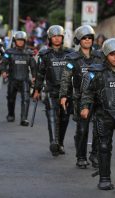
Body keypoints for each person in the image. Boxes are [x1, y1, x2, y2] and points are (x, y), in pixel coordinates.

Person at [80, 38, 115, 191]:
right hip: (103, 114)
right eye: (112, 54)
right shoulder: (96, 72)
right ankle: (104, 178)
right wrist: (85, 107)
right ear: (106, 55)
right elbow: (87, 92)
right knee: (104, 146)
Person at [60, 25, 103, 168]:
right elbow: (66, 78)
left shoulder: (100, 56)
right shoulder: (72, 58)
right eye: (84, 38)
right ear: (79, 40)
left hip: (98, 97)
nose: (87, 40)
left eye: (90, 38)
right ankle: (81, 156)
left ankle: (95, 155)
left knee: (99, 128)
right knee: (82, 128)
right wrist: (64, 96)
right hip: (79, 97)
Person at [33, 25, 74, 156]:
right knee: (52, 116)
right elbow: (40, 74)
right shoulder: (45, 55)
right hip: (51, 90)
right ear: (50, 38)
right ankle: (54, 142)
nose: (57, 39)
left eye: (59, 36)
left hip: (67, 92)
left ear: (62, 38)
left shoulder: (70, 54)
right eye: (54, 36)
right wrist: (37, 90)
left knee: (64, 118)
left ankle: (60, 143)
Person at [0, 31, 36, 126]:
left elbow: (33, 67)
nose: (20, 42)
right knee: (11, 98)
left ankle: (24, 118)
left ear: (25, 41)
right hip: (12, 79)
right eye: (18, 40)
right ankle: (11, 114)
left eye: (22, 40)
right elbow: (3, 63)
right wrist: (3, 71)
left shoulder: (29, 53)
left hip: (24, 79)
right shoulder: (9, 52)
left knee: (26, 99)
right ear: (15, 41)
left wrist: (34, 77)